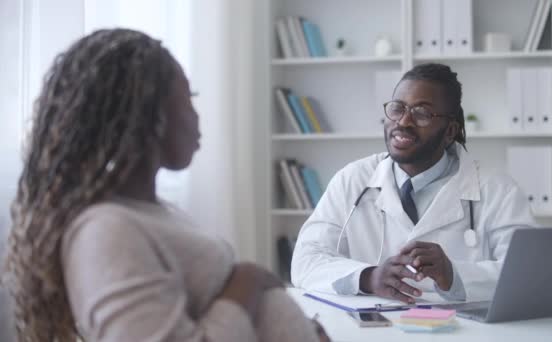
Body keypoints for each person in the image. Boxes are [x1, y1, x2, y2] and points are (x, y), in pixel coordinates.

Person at [2, 29, 326, 342]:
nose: (197, 120)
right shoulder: (106, 232)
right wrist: (248, 280)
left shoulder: (148, 213)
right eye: (188, 100)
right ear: (147, 114)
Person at [291, 63, 536, 303]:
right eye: (397, 108)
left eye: (421, 113)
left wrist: (454, 275)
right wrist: (369, 277)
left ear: (450, 131)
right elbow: (305, 261)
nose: (404, 122)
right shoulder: (353, 180)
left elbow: (527, 275)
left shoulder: (497, 190)